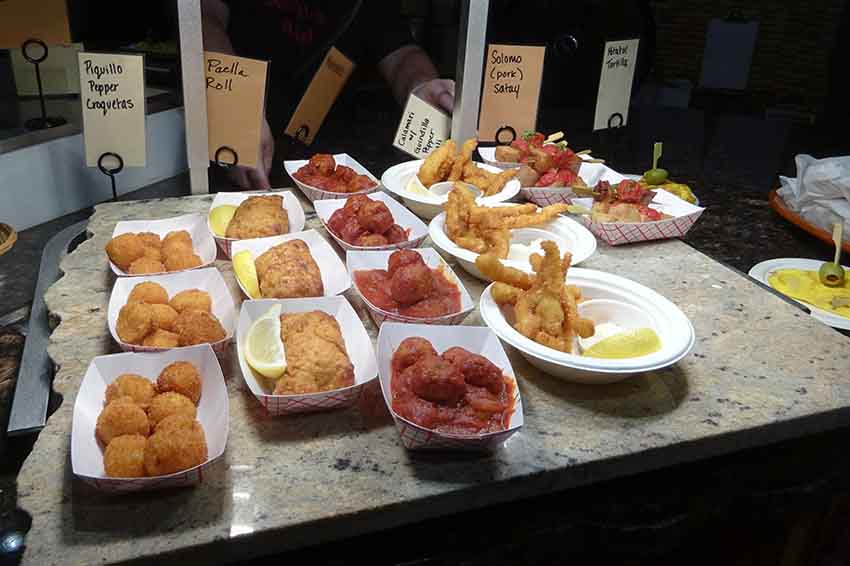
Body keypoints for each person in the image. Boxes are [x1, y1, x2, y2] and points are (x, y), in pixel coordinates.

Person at [201, 0, 454, 189]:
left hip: (333, 158)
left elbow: (400, 53)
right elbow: (202, 17)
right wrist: (233, 100)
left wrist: (423, 85)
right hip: (240, 133)